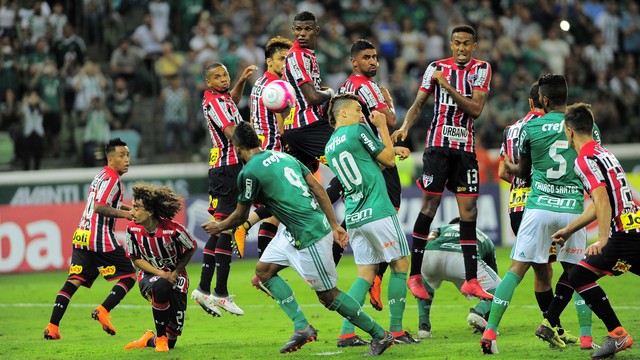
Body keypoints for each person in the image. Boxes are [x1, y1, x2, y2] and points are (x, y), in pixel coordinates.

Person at [201, 121, 395, 356]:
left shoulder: (249, 172)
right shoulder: (283, 157)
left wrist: (220, 226)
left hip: (309, 234)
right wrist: (334, 224)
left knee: (328, 295)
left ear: (236, 147)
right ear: (259, 141)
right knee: (263, 272)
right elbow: (318, 189)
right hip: (292, 231)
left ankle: (380, 335)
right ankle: (302, 327)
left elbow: (240, 215)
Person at [480, 74, 600, 354]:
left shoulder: (530, 127)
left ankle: (490, 332)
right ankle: (585, 339)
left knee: (517, 270)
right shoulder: (584, 127)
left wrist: (509, 165)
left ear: (543, 99)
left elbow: (523, 173)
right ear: (566, 96)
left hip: (538, 207)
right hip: (572, 209)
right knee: (579, 273)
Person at [391, 25, 493, 301]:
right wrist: (405, 127)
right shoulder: (435, 66)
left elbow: (475, 109)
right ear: (451, 44)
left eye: (466, 44)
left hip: (465, 149)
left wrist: (446, 85)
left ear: (474, 46)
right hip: (437, 146)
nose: (461, 48)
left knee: (469, 211)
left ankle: (471, 280)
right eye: (457, 43)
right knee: (430, 205)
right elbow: (419, 103)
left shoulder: (481, 69)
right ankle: (414, 276)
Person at [325, 94, 416, 346]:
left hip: (354, 216)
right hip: (377, 210)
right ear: (342, 113)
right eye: (356, 109)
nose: (361, 113)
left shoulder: (330, 145)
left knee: (365, 274)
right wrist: (382, 127)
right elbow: (387, 161)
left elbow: (369, 162)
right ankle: (396, 331)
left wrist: (389, 149)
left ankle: (346, 333)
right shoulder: (358, 129)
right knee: (399, 264)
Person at [548, 103, 637, 359]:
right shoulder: (604, 152)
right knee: (581, 275)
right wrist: (569, 229)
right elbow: (600, 201)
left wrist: (603, 240)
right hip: (634, 229)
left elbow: (601, 199)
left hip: (621, 235)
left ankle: (618, 335)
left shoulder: (583, 159)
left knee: (579, 276)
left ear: (569, 131)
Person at [335, 39, 410, 313]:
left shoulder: (345, 88)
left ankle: (369, 278)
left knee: (352, 203)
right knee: (392, 220)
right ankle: (379, 281)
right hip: (373, 160)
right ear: (354, 61)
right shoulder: (367, 87)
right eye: (366, 57)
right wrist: (389, 102)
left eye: (375, 57)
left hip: (356, 158)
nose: (373, 62)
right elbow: (387, 120)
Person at [44, 138, 136, 340]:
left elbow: (109, 202)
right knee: (129, 276)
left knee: (74, 280)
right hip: (99, 237)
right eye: (122, 156)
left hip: (82, 235)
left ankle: (52, 327)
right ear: (111, 159)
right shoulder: (113, 179)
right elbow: (100, 207)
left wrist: (130, 209)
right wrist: (127, 215)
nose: (127, 159)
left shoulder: (102, 175)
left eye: (128, 155)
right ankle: (103, 310)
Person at [191, 62, 257, 317]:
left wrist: (240, 80)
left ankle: (204, 289)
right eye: (217, 77)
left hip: (222, 169)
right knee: (226, 228)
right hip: (229, 168)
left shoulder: (221, 98)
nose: (223, 79)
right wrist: (254, 147)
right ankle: (219, 293)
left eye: (225, 75)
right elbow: (232, 132)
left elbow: (232, 100)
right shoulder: (216, 102)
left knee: (220, 229)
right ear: (208, 82)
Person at [122, 183, 197, 352]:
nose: (131, 212)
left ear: (149, 211)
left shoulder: (174, 230)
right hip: (149, 276)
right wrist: (161, 273)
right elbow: (135, 259)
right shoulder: (132, 229)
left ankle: (150, 339)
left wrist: (176, 272)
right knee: (161, 286)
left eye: (136, 207)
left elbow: (191, 247)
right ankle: (160, 338)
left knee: (173, 339)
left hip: (177, 279)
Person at [419, 218, 501, 338]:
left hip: (431, 254)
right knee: (500, 287)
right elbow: (492, 280)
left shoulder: (444, 228)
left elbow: (430, 238)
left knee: (425, 285)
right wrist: (487, 317)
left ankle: (423, 327)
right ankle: (478, 312)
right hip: (462, 259)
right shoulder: (483, 236)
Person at [281, 10, 335, 174]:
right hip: (307, 126)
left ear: (316, 30)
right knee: (347, 167)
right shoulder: (297, 56)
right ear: (293, 30)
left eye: (307, 29)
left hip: (298, 128)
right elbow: (312, 97)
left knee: (303, 184)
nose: (302, 34)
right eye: (298, 29)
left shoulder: (308, 55)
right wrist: (331, 93)